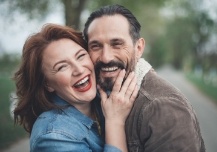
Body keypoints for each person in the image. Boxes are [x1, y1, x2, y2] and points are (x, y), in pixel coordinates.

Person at [83, 4, 206, 152]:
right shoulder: (94, 96)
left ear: (139, 48)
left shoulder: (163, 108)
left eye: (117, 44)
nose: (106, 57)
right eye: (96, 46)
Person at [13, 23, 139, 152]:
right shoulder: (53, 136)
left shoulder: (103, 95)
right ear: (48, 84)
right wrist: (115, 122)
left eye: (80, 56)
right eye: (62, 67)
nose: (79, 70)